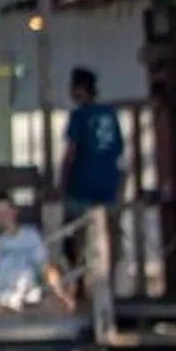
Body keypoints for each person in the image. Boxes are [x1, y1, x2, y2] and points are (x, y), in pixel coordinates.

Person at [0, 193, 67, 312]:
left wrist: (60, 292)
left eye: (5, 211)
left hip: (27, 292)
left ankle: (16, 306)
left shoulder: (31, 235)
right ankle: (3, 306)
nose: (2, 216)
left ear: (14, 211)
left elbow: (45, 267)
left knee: (57, 303)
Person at [59, 67, 125, 238]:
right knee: (111, 228)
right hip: (108, 179)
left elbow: (71, 150)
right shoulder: (110, 114)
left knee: (78, 225)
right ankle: (112, 262)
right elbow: (119, 148)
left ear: (80, 89)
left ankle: (80, 262)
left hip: (82, 179)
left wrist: (62, 179)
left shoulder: (79, 115)